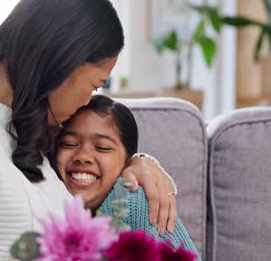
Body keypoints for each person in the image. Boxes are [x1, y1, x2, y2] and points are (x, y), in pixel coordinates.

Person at [0, 0, 176, 260]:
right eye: (94, 85)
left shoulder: (22, 138)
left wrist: (138, 161)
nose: (85, 102)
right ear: (64, 59)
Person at [53, 95, 201, 260]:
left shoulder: (134, 201)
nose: (83, 156)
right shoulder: (38, 201)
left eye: (102, 147)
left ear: (127, 162)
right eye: (68, 144)